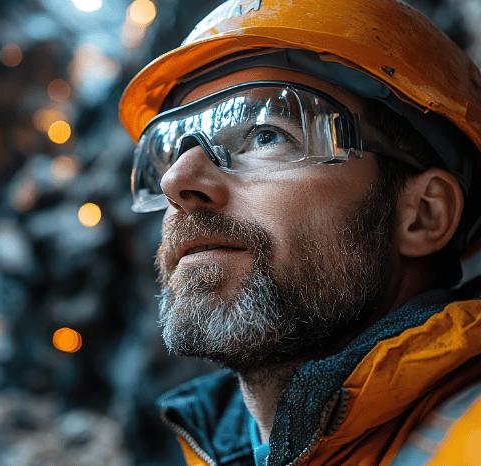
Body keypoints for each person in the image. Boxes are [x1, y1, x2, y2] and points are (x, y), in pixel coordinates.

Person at [119, 0, 481, 464]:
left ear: (423, 214)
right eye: (168, 152)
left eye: (267, 134)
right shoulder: (218, 447)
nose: (176, 182)